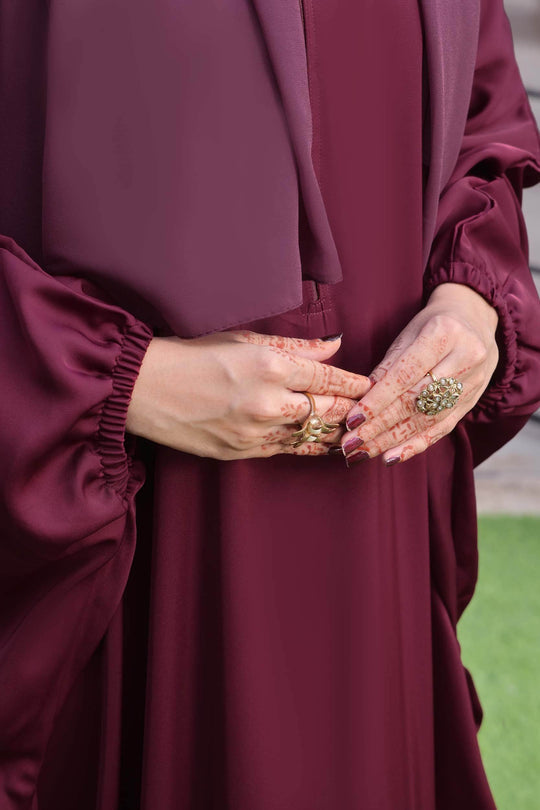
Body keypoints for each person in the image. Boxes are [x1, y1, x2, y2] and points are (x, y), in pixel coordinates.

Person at [1, 0, 539, 808]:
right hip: (124, 547)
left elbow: (480, 114)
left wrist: (472, 302)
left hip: (373, 547)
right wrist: (121, 384)